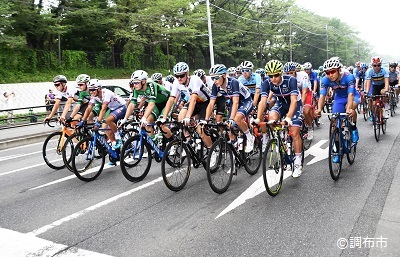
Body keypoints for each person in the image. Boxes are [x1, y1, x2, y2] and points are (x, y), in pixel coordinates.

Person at [255, 60, 303, 177]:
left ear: (281, 73)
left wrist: (288, 118)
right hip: (281, 103)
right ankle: (280, 139)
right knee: (271, 117)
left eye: (276, 75)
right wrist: (257, 118)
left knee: (294, 131)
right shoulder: (267, 83)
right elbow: (262, 102)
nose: (273, 78)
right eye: (270, 76)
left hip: (295, 104)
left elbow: (293, 101)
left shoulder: (291, 80)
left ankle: (297, 161)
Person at [315, 57, 360, 162]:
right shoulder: (325, 79)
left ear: (339, 69)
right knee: (334, 124)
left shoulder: (349, 77)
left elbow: (351, 94)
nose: (330, 75)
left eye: (332, 72)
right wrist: (319, 109)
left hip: (352, 96)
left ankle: (353, 129)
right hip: (339, 98)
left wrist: (349, 108)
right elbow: (322, 96)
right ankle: (337, 151)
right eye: (327, 72)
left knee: (349, 109)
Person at [205, 64, 255, 153]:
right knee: (228, 126)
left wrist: (231, 119)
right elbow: (211, 104)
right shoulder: (215, 86)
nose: (214, 81)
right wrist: (206, 120)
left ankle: (250, 137)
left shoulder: (233, 82)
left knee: (236, 119)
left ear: (224, 75)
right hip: (234, 101)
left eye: (216, 77)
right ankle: (235, 146)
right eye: (212, 78)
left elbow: (236, 102)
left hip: (246, 101)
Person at [77, 79, 127, 152]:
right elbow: (89, 108)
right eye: (90, 90)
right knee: (105, 127)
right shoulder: (93, 95)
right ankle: (114, 143)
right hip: (113, 109)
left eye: (93, 90)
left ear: (99, 89)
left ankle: (118, 137)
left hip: (121, 107)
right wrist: (83, 120)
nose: (91, 92)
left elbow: (103, 109)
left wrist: (98, 122)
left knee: (108, 120)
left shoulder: (106, 93)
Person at [119, 70, 171, 137]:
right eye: (133, 83)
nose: (135, 85)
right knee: (147, 122)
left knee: (162, 125)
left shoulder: (151, 85)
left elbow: (151, 104)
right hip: (156, 104)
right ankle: (153, 143)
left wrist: (143, 118)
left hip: (167, 102)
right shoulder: (136, 89)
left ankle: (172, 143)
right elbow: (132, 104)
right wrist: (125, 119)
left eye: (137, 83)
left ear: (143, 81)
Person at [283, 61, 313, 140]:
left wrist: (301, 105)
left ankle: (310, 128)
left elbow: (304, 92)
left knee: (305, 111)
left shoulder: (303, 75)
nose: (289, 75)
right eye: (287, 73)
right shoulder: (284, 78)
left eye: (291, 72)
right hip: (294, 94)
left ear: (295, 71)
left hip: (305, 92)